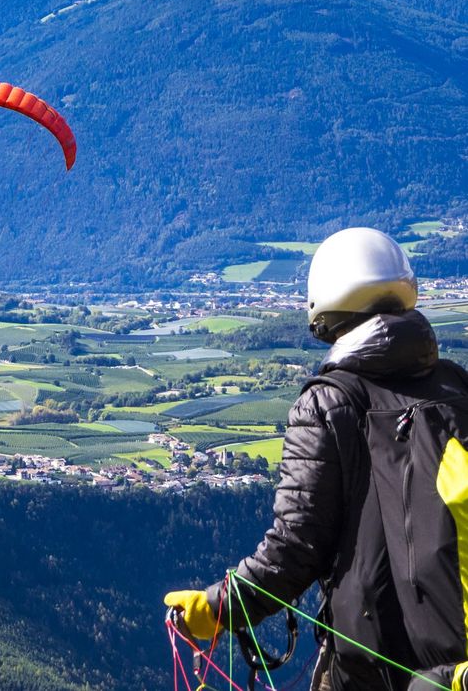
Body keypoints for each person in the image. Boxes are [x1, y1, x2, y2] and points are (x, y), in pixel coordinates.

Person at [164, 227, 468, 691]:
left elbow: (295, 547)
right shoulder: (456, 386)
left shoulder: (328, 403)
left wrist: (217, 606)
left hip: (371, 668)